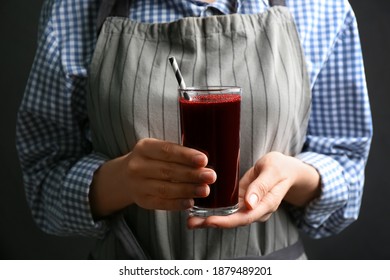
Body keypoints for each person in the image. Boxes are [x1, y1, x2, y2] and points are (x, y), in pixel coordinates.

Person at [16, 0, 373, 259]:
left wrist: (294, 177)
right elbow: (42, 183)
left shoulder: (322, 9)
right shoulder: (73, 9)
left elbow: (347, 172)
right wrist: (120, 180)